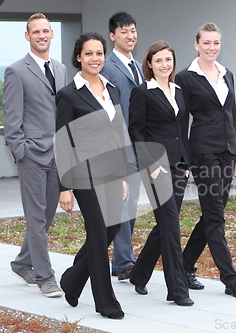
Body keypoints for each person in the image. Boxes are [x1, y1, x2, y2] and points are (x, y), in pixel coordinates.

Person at [175, 22, 236, 298]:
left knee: (213, 214)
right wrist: (182, 160)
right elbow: (181, 122)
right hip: (203, 153)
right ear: (196, 45)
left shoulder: (226, 74)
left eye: (216, 43)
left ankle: (184, 266)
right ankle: (231, 279)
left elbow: (232, 115)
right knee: (215, 217)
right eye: (206, 43)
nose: (211, 48)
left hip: (227, 152)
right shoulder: (185, 77)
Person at [55, 32, 128, 320]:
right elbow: (62, 142)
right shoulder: (68, 95)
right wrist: (64, 187)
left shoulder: (113, 90)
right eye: (88, 53)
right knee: (98, 231)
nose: (94, 58)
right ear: (78, 57)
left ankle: (72, 280)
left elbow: (118, 136)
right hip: (83, 173)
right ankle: (106, 302)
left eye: (99, 53)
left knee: (111, 229)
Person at [3, 12, 66, 298]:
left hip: (57, 156)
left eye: (46, 31)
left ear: (52, 34)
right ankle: (45, 277)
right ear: (27, 37)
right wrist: (21, 153)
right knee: (36, 218)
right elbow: (11, 118)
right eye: (35, 31)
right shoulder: (16, 71)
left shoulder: (62, 69)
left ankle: (21, 262)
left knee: (47, 215)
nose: (41, 35)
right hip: (32, 156)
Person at [128, 41, 193, 306]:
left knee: (166, 224)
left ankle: (139, 274)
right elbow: (136, 131)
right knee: (172, 228)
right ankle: (177, 290)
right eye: (158, 61)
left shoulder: (179, 91)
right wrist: (150, 164)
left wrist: (187, 163)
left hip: (178, 165)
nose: (164, 65)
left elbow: (182, 131)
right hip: (156, 168)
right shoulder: (142, 92)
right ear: (150, 65)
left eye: (168, 60)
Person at [100, 11, 143, 281]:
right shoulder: (106, 66)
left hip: (139, 144)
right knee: (122, 202)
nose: (130, 35)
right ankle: (124, 261)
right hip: (119, 144)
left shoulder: (138, 66)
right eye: (124, 31)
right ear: (112, 35)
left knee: (133, 203)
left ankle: (122, 259)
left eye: (133, 30)